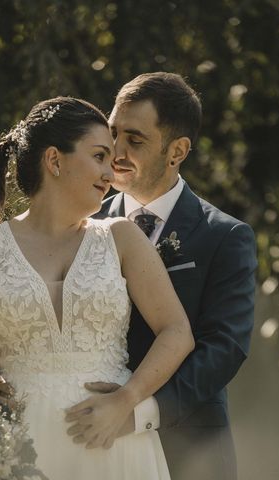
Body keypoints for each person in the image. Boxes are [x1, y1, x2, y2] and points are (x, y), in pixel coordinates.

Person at [0, 96, 194, 480]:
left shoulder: (121, 238)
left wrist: (126, 402)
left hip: (115, 448)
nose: (110, 174)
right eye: (99, 156)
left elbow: (177, 332)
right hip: (22, 447)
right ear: (54, 160)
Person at [62, 73, 258, 480]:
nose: (115, 150)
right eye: (112, 132)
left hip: (188, 451)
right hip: (88, 444)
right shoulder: (78, 223)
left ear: (177, 151)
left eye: (135, 140)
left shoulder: (224, 236)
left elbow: (223, 348)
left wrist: (137, 413)